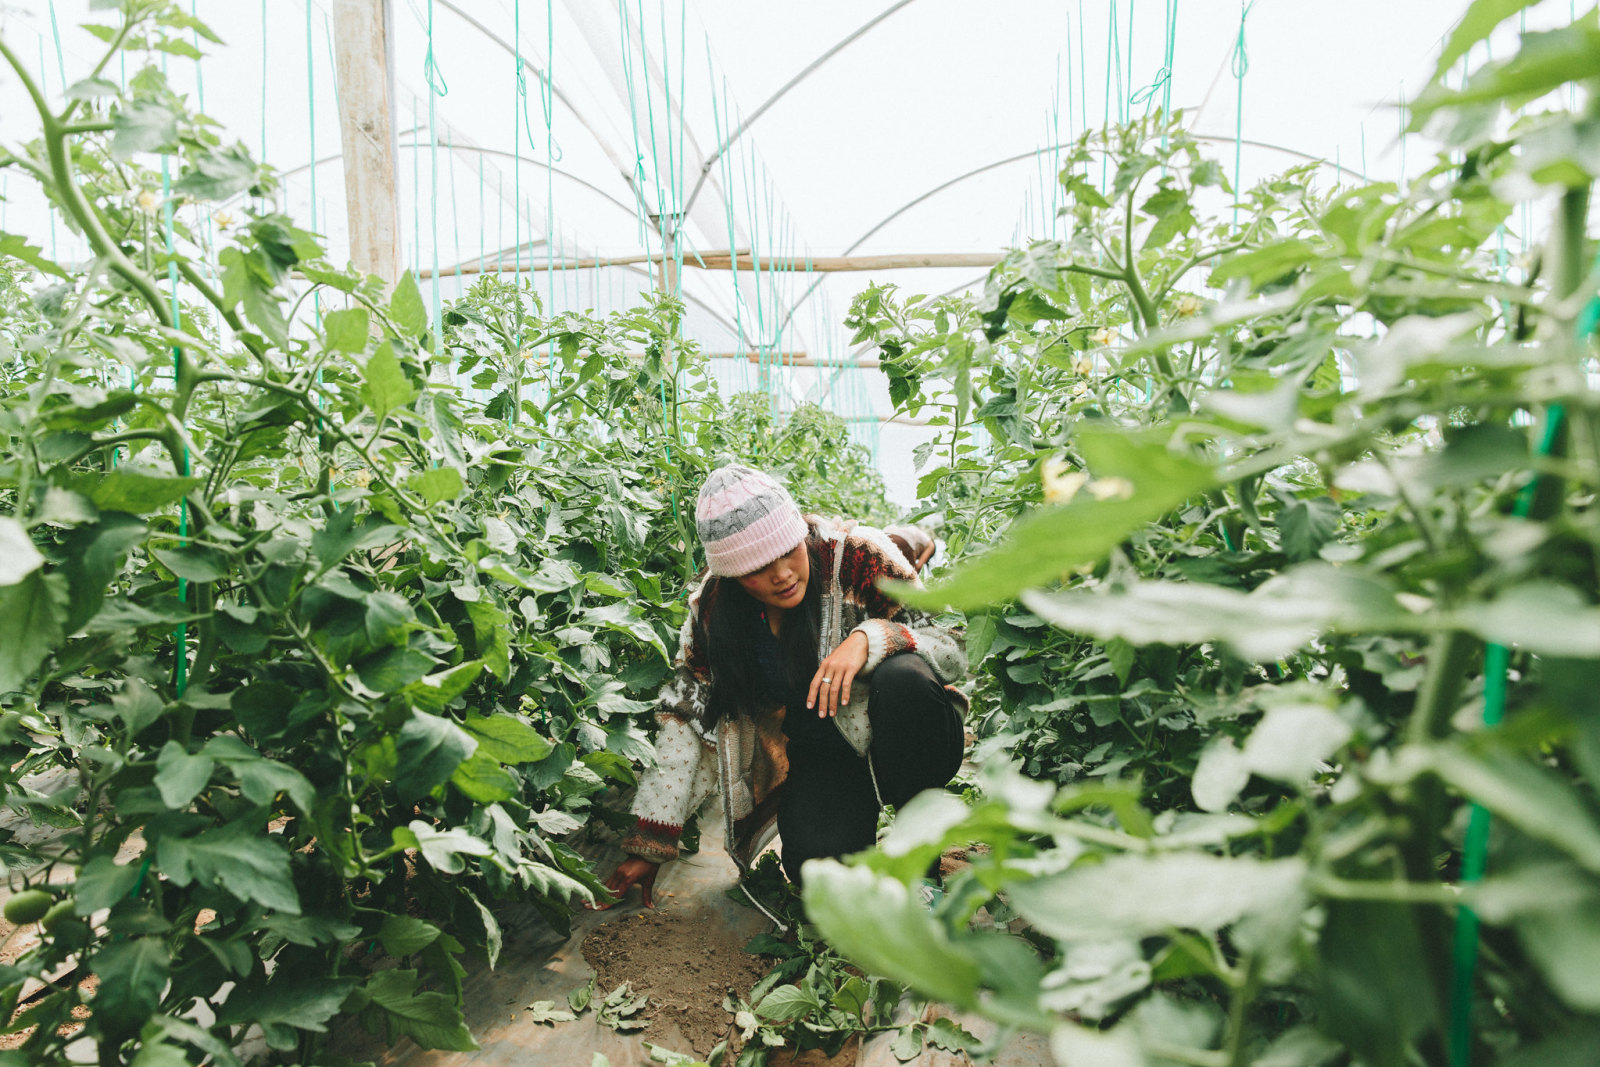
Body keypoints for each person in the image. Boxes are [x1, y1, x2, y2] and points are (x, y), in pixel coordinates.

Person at [599, 464, 967, 909]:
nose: (781, 574)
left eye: (788, 552)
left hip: (911, 732)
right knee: (819, 882)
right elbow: (685, 716)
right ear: (732, 574)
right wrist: (651, 842)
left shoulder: (856, 555)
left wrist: (870, 639)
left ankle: (920, 864)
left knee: (903, 677)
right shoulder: (715, 612)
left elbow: (951, 639)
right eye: (757, 568)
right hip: (827, 751)